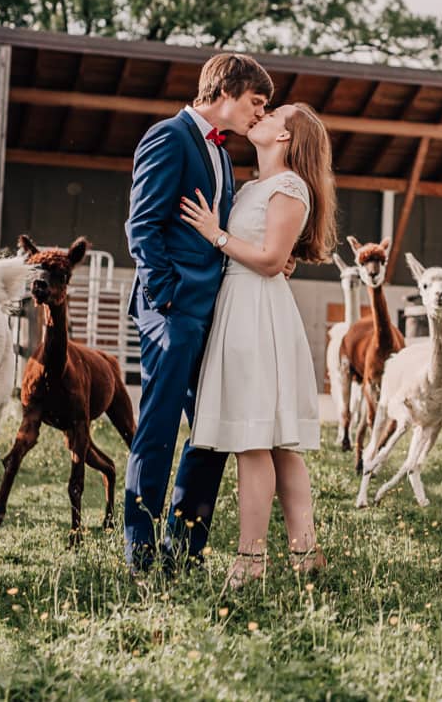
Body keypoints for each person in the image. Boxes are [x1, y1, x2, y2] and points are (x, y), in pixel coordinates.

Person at [123, 52, 273, 573]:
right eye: (257, 102)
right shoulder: (169, 137)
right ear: (227, 91)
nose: (260, 114)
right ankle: (139, 554)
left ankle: (183, 549)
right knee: (159, 428)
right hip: (172, 311)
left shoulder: (224, 157)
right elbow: (142, 226)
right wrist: (167, 298)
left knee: (212, 431)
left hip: (213, 316)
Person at [180, 102, 337, 587]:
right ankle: (306, 555)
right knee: (273, 444)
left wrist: (216, 235)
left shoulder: (291, 188)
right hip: (239, 307)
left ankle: (251, 559)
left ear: (285, 138)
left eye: (275, 115)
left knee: (258, 442)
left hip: (258, 314)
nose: (262, 116)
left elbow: (270, 260)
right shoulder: (254, 187)